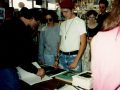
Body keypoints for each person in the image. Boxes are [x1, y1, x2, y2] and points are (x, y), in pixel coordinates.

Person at [0, 8, 45, 90]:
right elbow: (21, 56)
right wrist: (36, 71)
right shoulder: (21, 30)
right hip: (5, 65)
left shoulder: (9, 23)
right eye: (37, 22)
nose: (36, 25)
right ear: (32, 18)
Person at [91, 0, 120, 89]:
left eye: (103, 7)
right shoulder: (98, 16)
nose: (101, 9)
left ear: (106, 7)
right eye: (100, 7)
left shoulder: (109, 17)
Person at [56, 0, 87, 72]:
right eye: (62, 12)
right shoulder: (62, 24)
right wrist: (57, 59)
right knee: (62, 80)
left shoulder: (80, 22)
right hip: (62, 57)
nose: (64, 14)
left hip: (73, 57)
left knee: (75, 81)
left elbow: (83, 43)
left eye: (66, 11)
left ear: (72, 10)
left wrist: (76, 61)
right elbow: (60, 42)